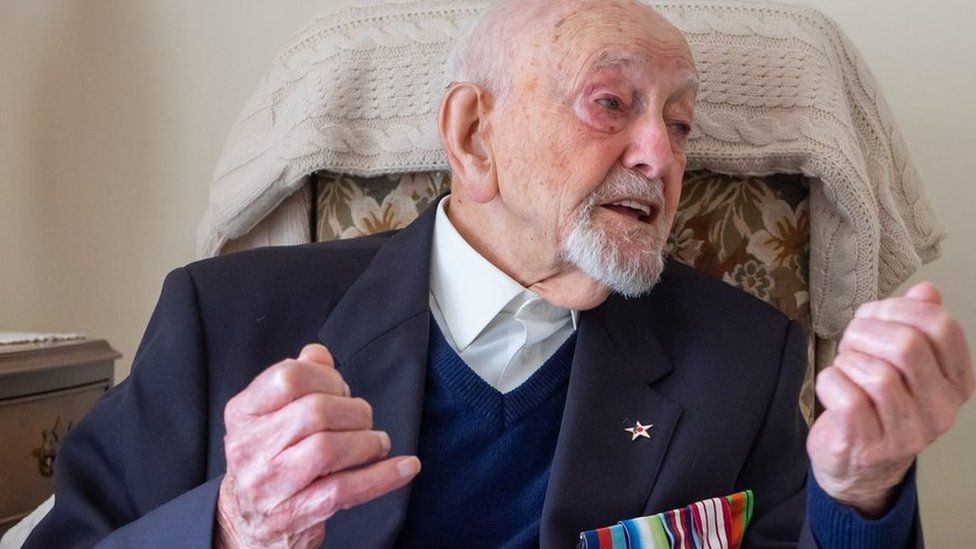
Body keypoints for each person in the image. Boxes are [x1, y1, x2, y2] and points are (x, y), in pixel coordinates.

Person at [24, 1, 973, 547]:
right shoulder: (227, 317)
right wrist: (230, 526)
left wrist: (864, 490)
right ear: (474, 135)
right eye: (612, 103)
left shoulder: (743, 354)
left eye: (680, 124)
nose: (661, 155)